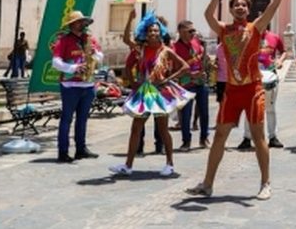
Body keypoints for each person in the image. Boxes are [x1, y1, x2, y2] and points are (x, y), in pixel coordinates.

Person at [187, 0, 291, 201]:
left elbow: (274, 6)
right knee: (220, 136)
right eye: (237, 5)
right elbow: (206, 15)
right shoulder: (224, 30)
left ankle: (266, 183)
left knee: (258, 137)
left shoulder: (256, 28)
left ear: (249, 9)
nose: (241, 7)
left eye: (244, 5)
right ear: (232, 9)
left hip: (253, 89)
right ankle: (207, 183)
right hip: (232, 92)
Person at [108, 14, 192, 177]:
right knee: (136, 128)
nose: (153, 33)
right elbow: (126, 39)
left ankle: (169, 164)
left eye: (156, 30)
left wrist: (168, 79)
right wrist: (129, 19)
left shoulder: (166, 51)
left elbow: (185, 66)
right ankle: (128, 165)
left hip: (160, 93)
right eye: (150, 31)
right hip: (144, 93)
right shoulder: (140, 49)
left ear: (160, 32)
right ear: (145, 33)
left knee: (162, 129)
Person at [50, 10, 103, 163]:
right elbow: (56, 62)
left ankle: (81, 149)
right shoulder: (64, 40)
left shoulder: (89, 39)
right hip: (70, 85)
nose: (83, 24)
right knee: (67, 119)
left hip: (88, 83)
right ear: (72, 25)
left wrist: (95, 54)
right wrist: (73, 68)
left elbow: (100, 57)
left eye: (83, 22)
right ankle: (63, 152)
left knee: (83, 118)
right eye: (79, 22)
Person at [239, 22, 287, 150]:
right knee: (250, 109)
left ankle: (273, 137)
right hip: (252, 78)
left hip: (270, 74)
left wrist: (280, 60)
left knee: (270, 108)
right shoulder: (248, 37)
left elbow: (284, 52)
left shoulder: (275, 37)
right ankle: (247, 138)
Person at [173, 21, 212, 150]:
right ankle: (186, 141)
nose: (193, 33)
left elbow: (202, 59)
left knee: (204, 112)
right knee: (186, 114)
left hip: (201, 82)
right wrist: (191, 75)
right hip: (186, 84)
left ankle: (204, 138)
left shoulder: (196, 42)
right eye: (189, 31)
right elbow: (174, 69)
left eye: (193, 30)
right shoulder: (175, 48)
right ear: (180, 31)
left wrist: (205, 70)